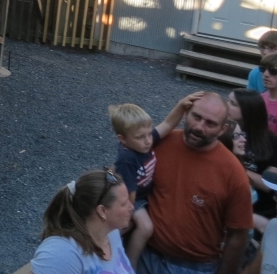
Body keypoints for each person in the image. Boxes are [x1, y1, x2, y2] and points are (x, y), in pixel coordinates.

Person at [138, 92, 253, 274]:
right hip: (145, 255)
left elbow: (238, 235)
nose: (200, 127)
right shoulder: (161, 144)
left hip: (193, 267)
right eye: (196, 117)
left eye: (210, 123)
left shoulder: (233, 173)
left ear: (222, 129)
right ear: (186, 113)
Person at [108, 93, 202, 268]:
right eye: (140, 137)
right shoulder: (127, 158)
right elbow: (130, 192)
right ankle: (129, 264)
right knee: (145, 227)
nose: (147, 141)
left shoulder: (143, 141)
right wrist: (127, 216)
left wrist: (181, 105)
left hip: (142, 194)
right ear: (123, 139)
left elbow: (167, 124)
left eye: (149, 134)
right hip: (129, 199)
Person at [30, 168, 135, 273]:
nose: (132, 207)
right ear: (102, 211)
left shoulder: (111, 232)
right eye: (124, 204)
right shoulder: (62, 254)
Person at [227, 89, 277, 232]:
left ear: (248, 110)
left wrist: (237, 169)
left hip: (260, 209)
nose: (226, 106)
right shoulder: (224, 133)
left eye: (232, 103)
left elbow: (270, 184)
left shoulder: (271, 142)